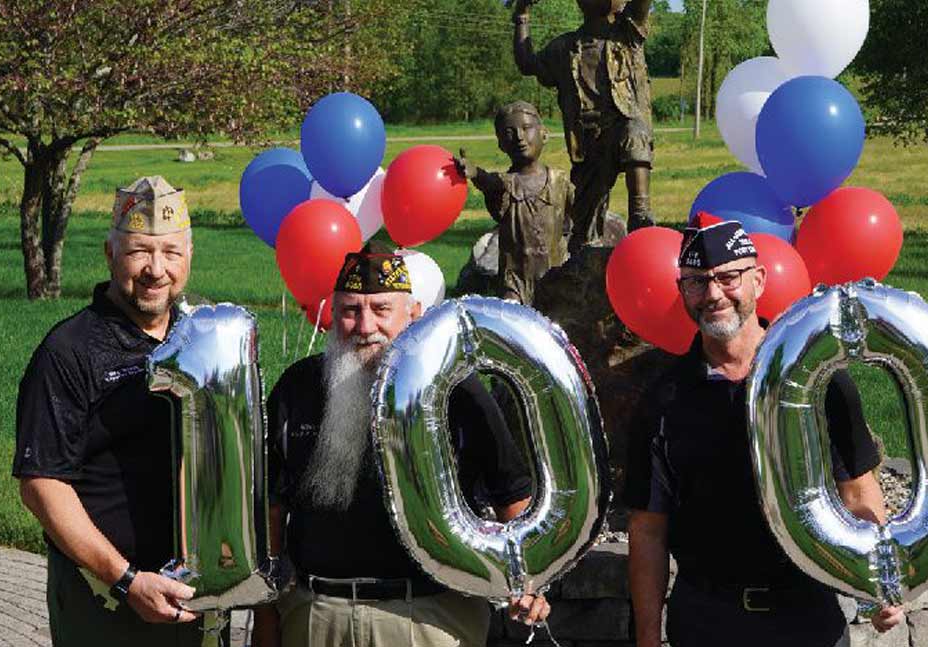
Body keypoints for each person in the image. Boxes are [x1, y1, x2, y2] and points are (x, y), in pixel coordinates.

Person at [625, 221, 905, 647]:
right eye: (697, 282)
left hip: (808, 617)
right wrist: (646, 638)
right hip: (707, 622)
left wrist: (881, 580)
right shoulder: (663, 399)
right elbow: (648, 528)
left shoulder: (818, 379)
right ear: (682, 291)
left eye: (727, 277)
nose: (714, 294)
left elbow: (859, 492)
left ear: (758, 279)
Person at [255, 243, 550, 647]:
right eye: (350, 310)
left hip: (430, 618)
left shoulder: (458, 391)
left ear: (411, 315)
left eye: (380, 309)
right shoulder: (298, 387)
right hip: (316, 616)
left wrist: (528, 582)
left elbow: (511, 493)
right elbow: (271, 506)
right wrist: (267, 618)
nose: (364, 326)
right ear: (331, 316)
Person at [12, 176, 211, 646]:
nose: (155, 269)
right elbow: (42, 485)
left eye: (170, 252)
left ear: (189, 256)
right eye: (139, 251)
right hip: (105, 599)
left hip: (193, 596)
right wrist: (125, 580)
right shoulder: (69, 351)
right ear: (110, 253)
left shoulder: (202, 340)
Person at [512, 0, 656, 251]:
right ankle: (584, 263)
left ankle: (640, 214)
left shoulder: (627, 33)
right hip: (587, 143)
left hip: (621, 124)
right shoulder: (564, 48)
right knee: (585, 231)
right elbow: (528, 63)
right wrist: (522, 15)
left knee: (635, 132)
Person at [455, 100, 574, 305]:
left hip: (556, 277)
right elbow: (490, 182)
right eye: (510, 132)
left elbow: (580, 215)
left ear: (544, 134)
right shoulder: (505, 185)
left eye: (527, 128)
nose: (519, 137)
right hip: (516, 284)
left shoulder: (559, 182)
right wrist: (475, 173)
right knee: (514, 327)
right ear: (501, 143)